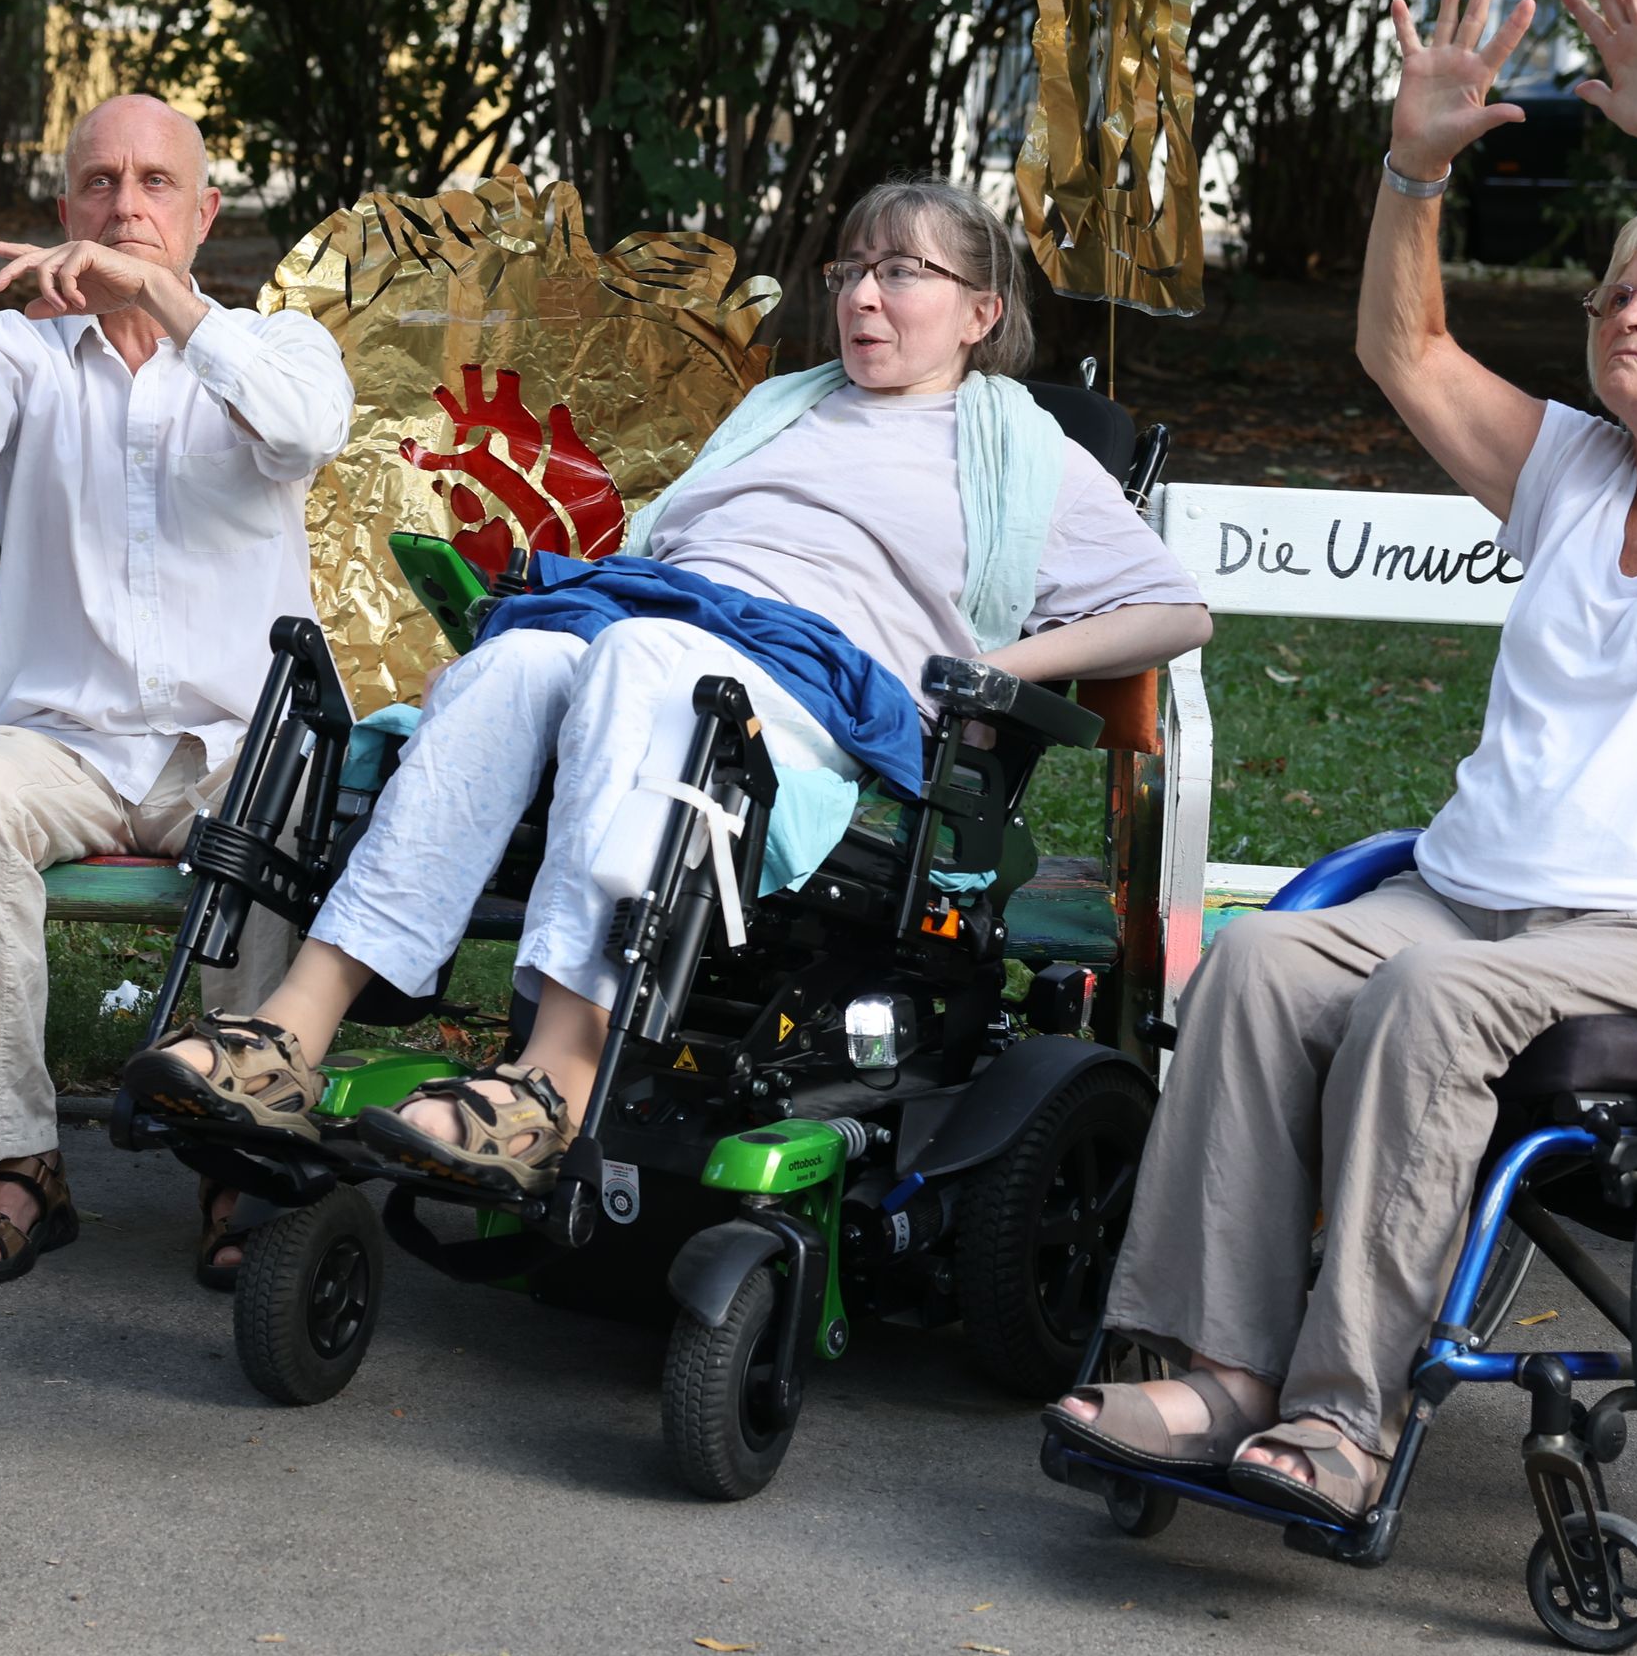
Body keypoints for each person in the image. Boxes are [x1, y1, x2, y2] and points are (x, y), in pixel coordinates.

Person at [1058, 0, 1637, 1525]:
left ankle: (1341, 1412)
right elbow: (1404, 350)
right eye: (1617, 297)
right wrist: (1412, 168)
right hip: (1467, 890)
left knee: (1436, 992)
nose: (1635, 314)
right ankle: (1216, 1371)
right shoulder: (1570, 468)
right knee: (1254, 961)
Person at [117, 177, 1211, 1199]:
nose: (866, 296)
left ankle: (556, 1078)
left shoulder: (1023, 448)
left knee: (646, 664)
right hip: (662, 635)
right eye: (852, 271)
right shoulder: (783, 407)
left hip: (808, 692)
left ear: (980, 313)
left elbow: (1176, 613)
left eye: (904, 273)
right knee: (516, 662)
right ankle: (292, 1030)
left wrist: (992, 670)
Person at [0, 95, 351, 1285]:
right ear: (63, 204)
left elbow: (301, 434)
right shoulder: (16, 349)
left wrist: (160, 303)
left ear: (205, 212)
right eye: (99, 184)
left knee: (275, 815)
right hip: (59, 743)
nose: (125, 205)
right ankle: (15, 1159)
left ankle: (241, 1149)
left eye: (155, 184)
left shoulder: (279, 346)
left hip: (231, 742)